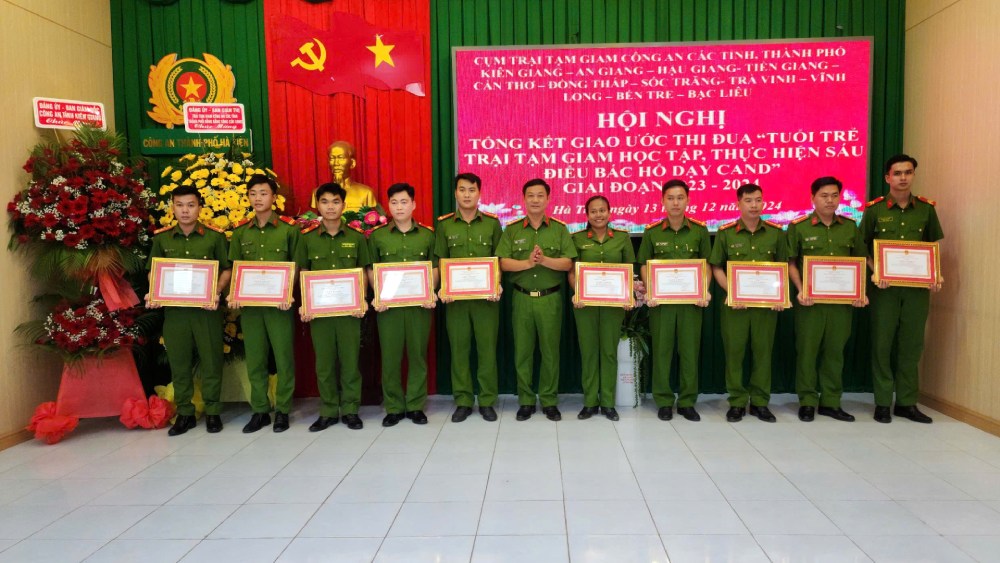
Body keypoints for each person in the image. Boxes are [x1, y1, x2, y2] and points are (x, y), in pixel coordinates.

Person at [860, 154, 944, 424]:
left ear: (913, 175)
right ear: (887, 178)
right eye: (897, 173)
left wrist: (935, 275)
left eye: (908, 172)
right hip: (885, 289)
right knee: (882, 345)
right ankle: (883, 402)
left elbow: (932, 246)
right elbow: (863, 248)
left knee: (911, 345)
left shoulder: (926, 209)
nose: (903, 177)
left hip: (916, 290)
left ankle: (907, 402)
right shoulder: (874, 210)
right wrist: (876, 272)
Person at [146, 185, 232, 436]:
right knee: (179, 363)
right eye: (180, 205)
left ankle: (213, 412)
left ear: (200, 207)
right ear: (172, 207)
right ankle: (185, 413)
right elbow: (155, 270)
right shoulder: (162, 238)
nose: (185, 211)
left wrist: (216, 292)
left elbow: (226, 269)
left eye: (190, 205)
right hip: (176, 312)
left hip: (205, 311)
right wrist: (154, 290)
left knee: (211, 361)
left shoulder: (214, 237)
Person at [786, 177, 866, 423]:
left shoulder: (850, 227)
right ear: (813, 198)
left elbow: (859, 261)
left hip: (841, 304)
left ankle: (831, 401)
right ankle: (808, 401)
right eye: (824, 195)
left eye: (834, 195)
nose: (830, 200)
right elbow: (791, 262)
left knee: (835, 352)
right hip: (810, 303)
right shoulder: (799, 227)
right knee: (808, 353)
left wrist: (859, 292)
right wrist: (800, 289)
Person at [497, 178, 576, 421]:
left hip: (550, 299)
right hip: (521, 298)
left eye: (540, 195)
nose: (535, 200)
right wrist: (528, 263)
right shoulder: (511, 229)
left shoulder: (559, 229)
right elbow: (503, 262)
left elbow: (568, 262)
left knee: (550, 351)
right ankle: (526, 400)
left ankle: (550, 401)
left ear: (548, 199)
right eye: (530, 195)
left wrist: (544, 261)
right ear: (523, 199)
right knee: (523, 352)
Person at [295, 183, 372, 431]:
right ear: (318, 205)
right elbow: (303, 272)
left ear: (343, 204)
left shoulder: (357, 238)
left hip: (349, 312)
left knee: (350, 362)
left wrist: (362, 300)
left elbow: (363, 273)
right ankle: (328, 410)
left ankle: (350, 409)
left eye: (335, 201)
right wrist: (305, 303)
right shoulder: (306, 239)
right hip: (320, 313)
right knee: (324, 364)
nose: (330, 206)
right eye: (325, 201)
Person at [228, 175, 301, 433]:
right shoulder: (240, 232)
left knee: (283, 359)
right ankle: (260, 410)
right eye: (253, 193)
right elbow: (235, 268)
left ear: (273, 197)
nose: (257, 198)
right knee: (256, 359)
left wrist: (288, 294)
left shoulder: (289, 230)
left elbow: (296, 267)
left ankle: (282, 410)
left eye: (263, 193)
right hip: (251, 308)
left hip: (280, 307)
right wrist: (234, 293)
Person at [710, 184, 787, 423]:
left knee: (763, 353)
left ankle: (760, 402)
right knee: (735, 353)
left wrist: (780, 296)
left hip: (766, 307)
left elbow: (782, 267)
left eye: (758, 200)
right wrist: (731, 292)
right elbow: (716, 267)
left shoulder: (776, 233)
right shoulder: (726, 233)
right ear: (738, 204)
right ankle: (737, 402)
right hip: (736, 307)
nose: (754, 205)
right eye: (748, 201)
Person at [637, 180, 712, 422]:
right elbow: (645, 265)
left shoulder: (700, 231)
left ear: (688, 200)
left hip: (691, 304)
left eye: (680, 198)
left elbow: (706, 265)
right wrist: (650, 290)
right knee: (662, 351)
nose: (676, 202)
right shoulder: (652, 232)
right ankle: (664, 400)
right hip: (662, 305)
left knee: (689, 352)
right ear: (663, 201)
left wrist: (705, 290)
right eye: (670, 198)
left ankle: (688, 401)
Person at [435, 173, 503, 423]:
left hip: (487, 301)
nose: (466, 194)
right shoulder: (444, 225)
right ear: (455, 193)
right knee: (459, 351)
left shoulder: (492, 224)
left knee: (487, 351)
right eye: (462, 190)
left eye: (471, 190)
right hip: (456, 302)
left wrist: (496, 285)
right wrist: (444, 287)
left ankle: (486, 400)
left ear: (479, 193)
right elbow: (442, 260)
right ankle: (463, 400)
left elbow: (499, 260)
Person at [368, 183, 438, 427]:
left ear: (414, 204)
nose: (399, 207)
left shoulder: (428, 235)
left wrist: (429, 291)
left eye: (404, 202)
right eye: (394, 202)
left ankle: (416, 406)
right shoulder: (378, 236)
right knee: (391, 357)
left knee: (418, 356)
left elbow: (435, 268)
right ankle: (395, 407)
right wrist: (379, 294)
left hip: (420, 307)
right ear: (388, 205)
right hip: (389, 309)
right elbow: (371, 269)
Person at [569, 195, 636, 421]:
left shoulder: (621, 238)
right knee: (588, 353)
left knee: (608, 352)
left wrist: (628, 296)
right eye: (593, 211)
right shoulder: (577, 239)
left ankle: (608, 403)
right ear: (587, 215)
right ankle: (590, 402)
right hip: (585, 305)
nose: (598, 215)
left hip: (613, 305)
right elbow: (571, 271)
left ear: (609, 212)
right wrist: (578, 291)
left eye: (602, 210)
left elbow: (628, 269)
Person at [311, 141, 379, 211]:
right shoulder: (317, 193)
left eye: (341, 158)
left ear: (352, 163)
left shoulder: (366, 193)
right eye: (332, 158)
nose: (336, 163)